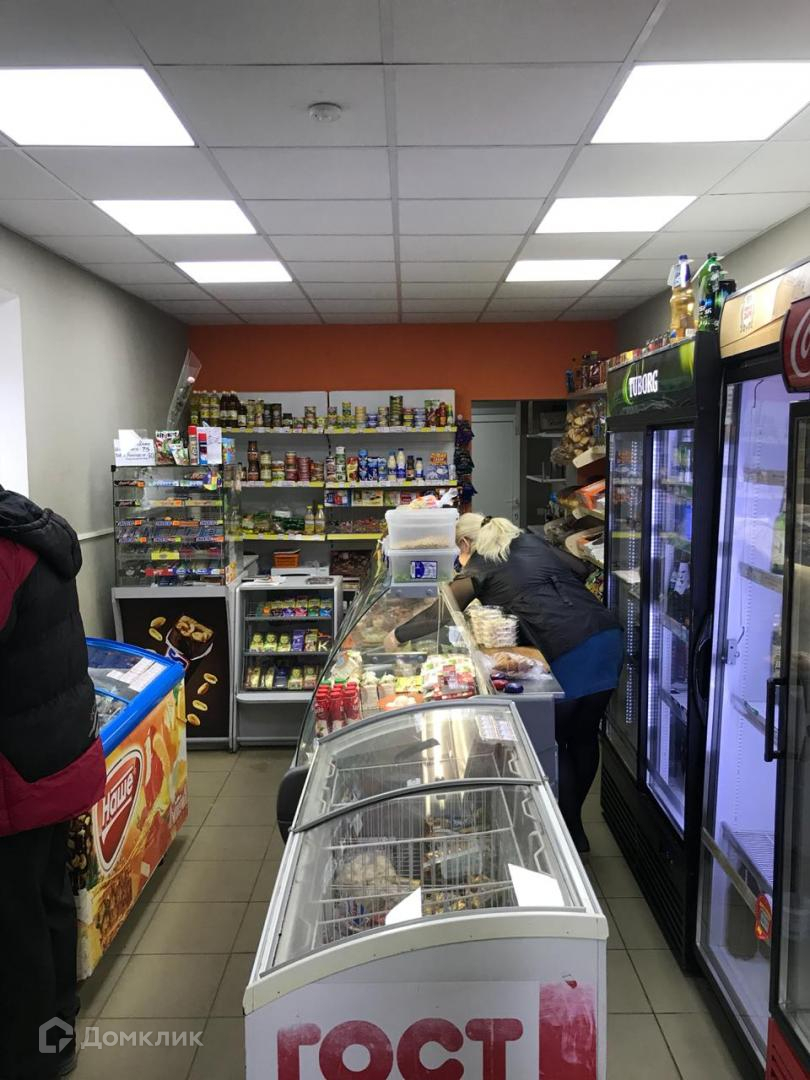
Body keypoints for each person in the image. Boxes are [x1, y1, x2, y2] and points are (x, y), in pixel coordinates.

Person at [390, 513, 623, 853]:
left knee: (559, 739)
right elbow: (579, 568)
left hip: (568, 648)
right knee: (584, 735)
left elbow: (444, 610)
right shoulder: (530, 542)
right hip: (605, 636)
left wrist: (396, 636)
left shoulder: (481, 565)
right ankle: (574, 829)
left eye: (458, 550)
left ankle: (569, 831)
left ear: (466, 543)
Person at [0, 487, 106, 1079]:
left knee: (16, 922)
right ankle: (57, 1035)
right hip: (55, 755)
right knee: (50, 901)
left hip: (15, 771)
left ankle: (28, 1057)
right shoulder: (33, 531)